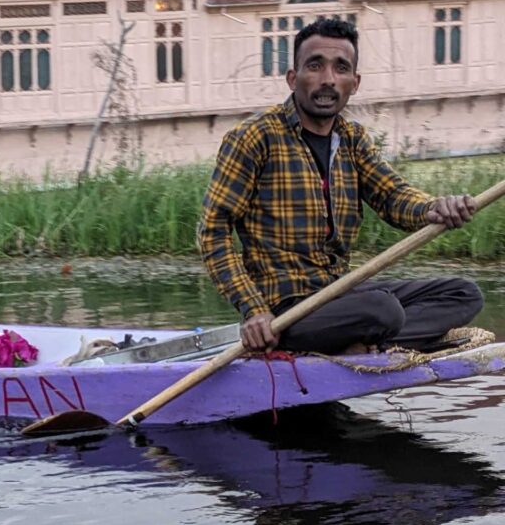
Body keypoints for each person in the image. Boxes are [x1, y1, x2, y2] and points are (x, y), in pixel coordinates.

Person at [198, 18, 483, 355]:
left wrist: (434, 208)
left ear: (355, 82)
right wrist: (253, 309)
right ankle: (362, 338)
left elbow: (393, 196)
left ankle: (362, 341)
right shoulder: (255, 138)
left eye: (341, 68)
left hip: (339, 297)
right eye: (315, 66)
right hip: (285, 311)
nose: (328, 80)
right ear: (293, 77)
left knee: (463, 294)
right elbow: (213, 230)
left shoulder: (352, 140)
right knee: (382, 309)